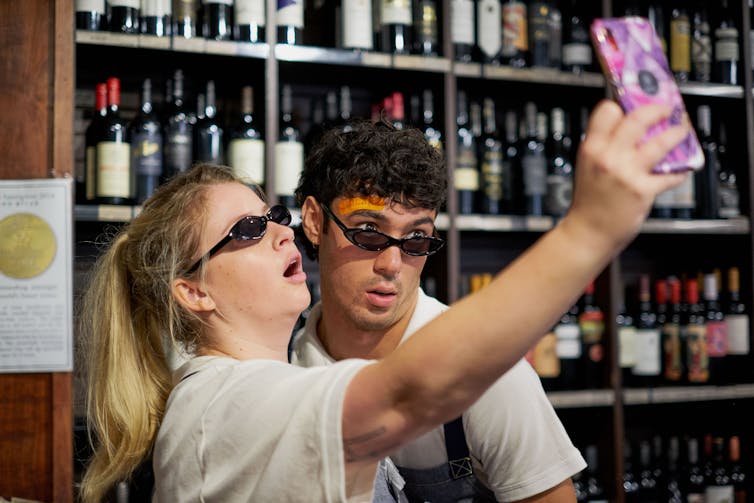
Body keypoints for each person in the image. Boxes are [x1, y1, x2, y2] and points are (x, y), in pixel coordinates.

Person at [78, 100, 688, 502]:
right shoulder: (228, 400)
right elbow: (405, 394)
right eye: (247, 231)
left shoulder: (269, 373)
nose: (392, 263)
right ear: (193, 290)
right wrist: (589, 232)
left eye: (272, 217)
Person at [290, 117, 581, 502]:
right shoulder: (286, 369)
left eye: (415, 238)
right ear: (314, 221)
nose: (392, 264)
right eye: (368, 232)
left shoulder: (484, 372)